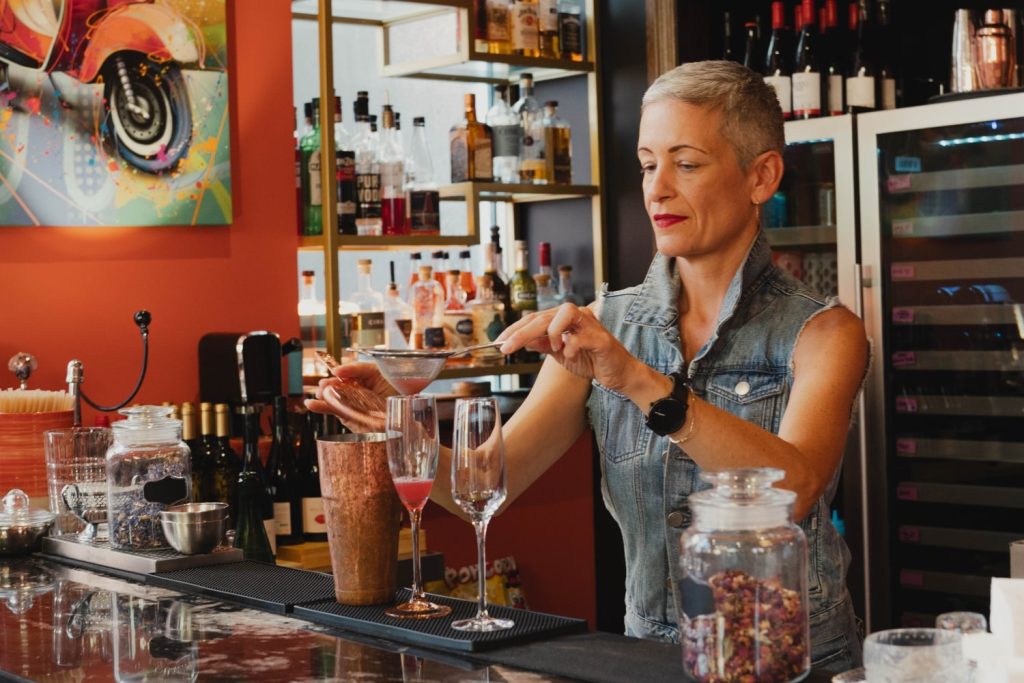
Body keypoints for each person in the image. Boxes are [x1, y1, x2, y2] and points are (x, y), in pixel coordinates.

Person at [307, 60, 867, 672]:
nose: (657, 190)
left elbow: (795, 487)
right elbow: (492, 478)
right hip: (652, 659)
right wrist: (396, 423)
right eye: (649, 165)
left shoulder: (823, 332)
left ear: (761, 176)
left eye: (686, 163)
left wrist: (637, 379)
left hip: (792, 661)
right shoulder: (606, 323)